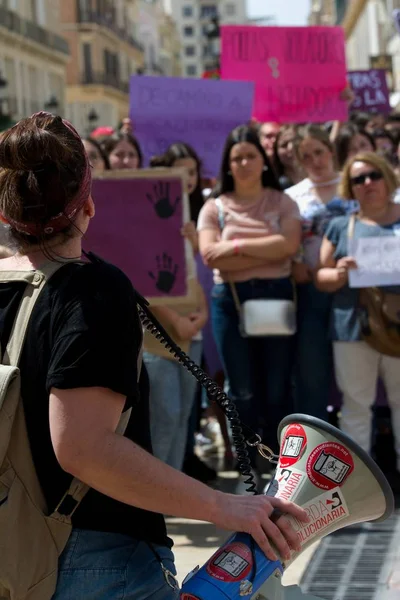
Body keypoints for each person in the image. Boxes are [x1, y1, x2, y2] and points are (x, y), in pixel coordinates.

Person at [0, 112, 308, 599]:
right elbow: (83, 447)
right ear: (89, 207)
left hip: (15, 553)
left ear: (5, 213)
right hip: (97, 559)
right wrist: (221, 505)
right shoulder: (91, 290)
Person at [198, 125, 301, 457]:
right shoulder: (214, 207)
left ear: (264, 160)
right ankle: (248, 462)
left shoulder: (282, 201)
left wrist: (236, 246)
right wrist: (264, 247)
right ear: (228, 164)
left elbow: (288, 245)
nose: (244, 163)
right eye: (237, 157)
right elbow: (210, 254)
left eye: (251, 156)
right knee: (240, 389)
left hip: (276, 296)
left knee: (276, 388)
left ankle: (280, 461)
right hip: (230, 302)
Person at [317, 152, 400, 488]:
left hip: (397, 327)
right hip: (352, 326)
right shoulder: (340, 226)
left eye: (373, 176)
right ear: (349, 187)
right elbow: (319, 275)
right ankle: (358, 491)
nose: (368, 184)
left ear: (387, 177)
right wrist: (337, 272)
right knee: (355, 407)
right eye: (358, 179)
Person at [286, 125, 357, 421]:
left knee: (356, 374)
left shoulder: (355, 184)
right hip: (310, 291)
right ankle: (311, 446)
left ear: (330, 151)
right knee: (312, 372)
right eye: (306, 156)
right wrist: (294, 265)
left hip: (355, 289)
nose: (315, 160)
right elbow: (287, 243)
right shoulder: (292, 196)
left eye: (319, 152)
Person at [273, 125, 304, 190]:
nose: (291, 148)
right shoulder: (275, 187)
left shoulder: (320, 177)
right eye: (284, 145)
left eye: (295, 142)